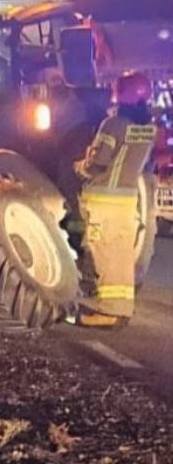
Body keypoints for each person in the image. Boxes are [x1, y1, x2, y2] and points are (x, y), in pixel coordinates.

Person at [72, 71, 156, 327]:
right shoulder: (147, 129)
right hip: (127, 199)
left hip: (104, 198)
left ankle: (108, 312)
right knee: (120, 254)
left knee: (106, 252)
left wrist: (79, 167)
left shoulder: (113, 125)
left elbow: (98, 163)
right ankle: (121, 307)